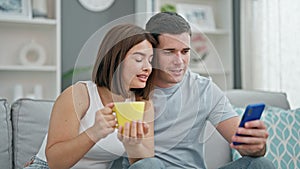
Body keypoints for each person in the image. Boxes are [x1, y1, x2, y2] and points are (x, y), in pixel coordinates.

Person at [122, 12, 275, 169]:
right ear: (151, 52)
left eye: (185, 51)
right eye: (169, 52)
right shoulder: (133, 86)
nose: (179, 61)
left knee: (260, 164)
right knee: (147, 166)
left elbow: (242, 142)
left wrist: (257, 146)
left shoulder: (204, 89)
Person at [23, 24, 161, 169]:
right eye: (139, 59)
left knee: (152, 164)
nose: (148, 68)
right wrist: (94, 132)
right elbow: (55, 163)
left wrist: (133, 144)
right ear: (115, 60)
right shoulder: (79, 95)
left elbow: (143, 164)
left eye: (150, 60)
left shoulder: (142, 104)